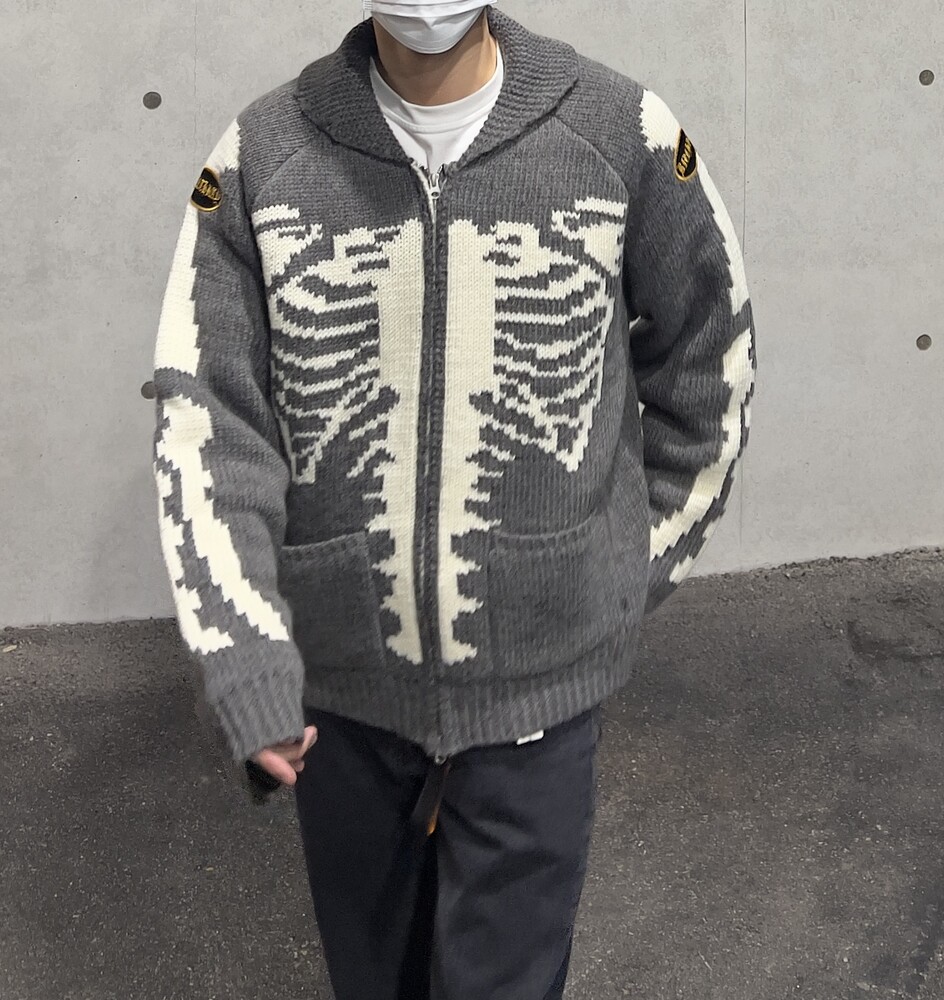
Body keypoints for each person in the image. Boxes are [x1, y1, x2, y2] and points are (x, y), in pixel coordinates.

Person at [151, 1, 756, 996]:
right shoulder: (261, 154)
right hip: (341, 695)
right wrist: (246, 654)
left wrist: (619, 572)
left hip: (539, 701)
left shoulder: (623, 133)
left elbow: (711, 359)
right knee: (372, 979)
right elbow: (209, 419)